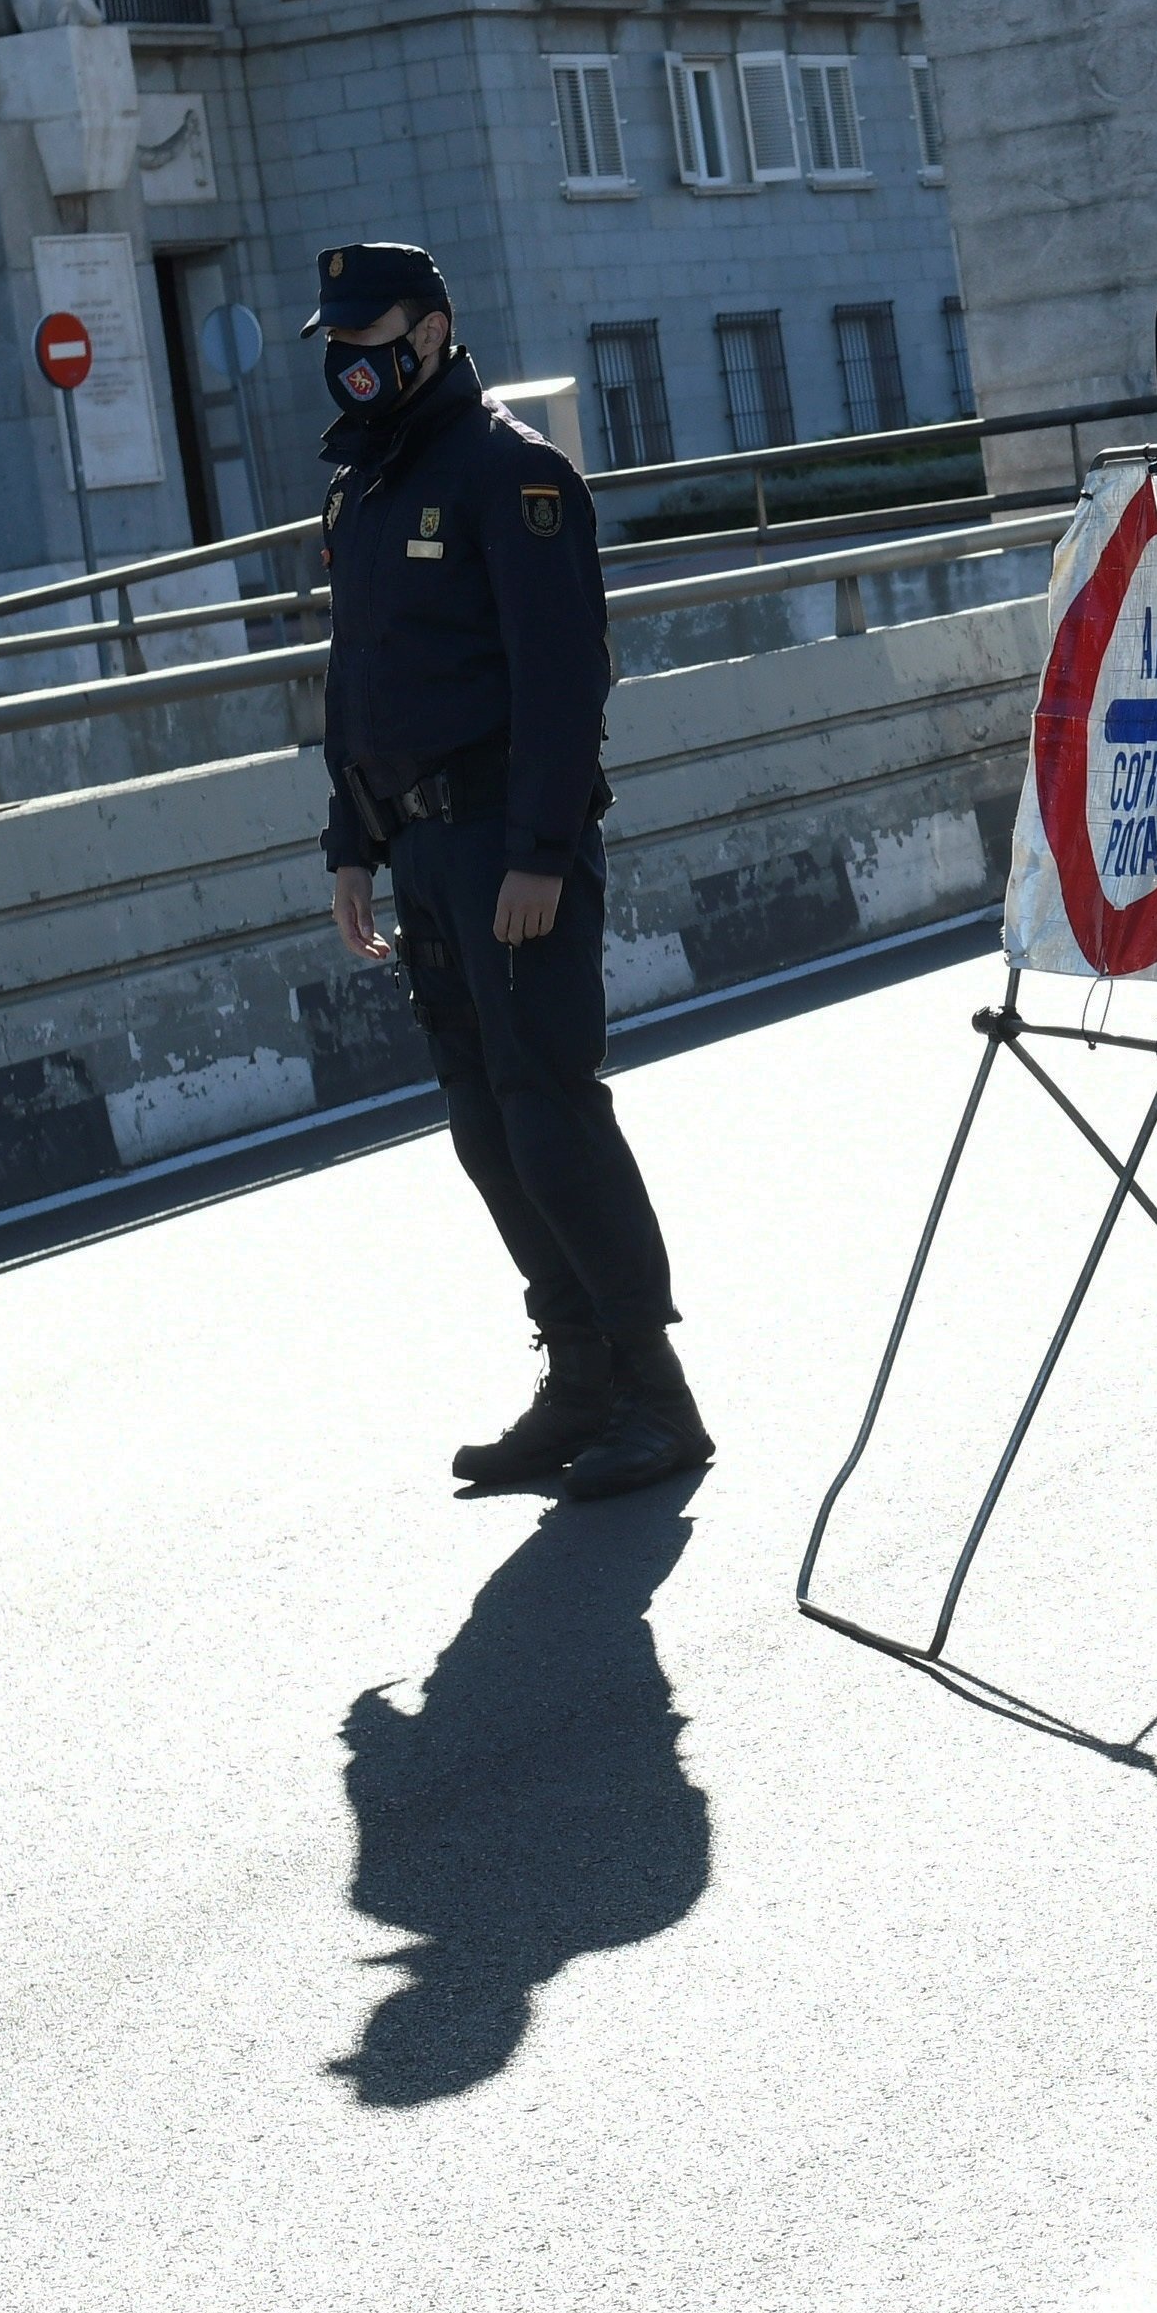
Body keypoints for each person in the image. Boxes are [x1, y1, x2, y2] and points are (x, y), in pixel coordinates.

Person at [310, 240, 704, 1499]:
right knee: (485, 1127)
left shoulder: (508, 472)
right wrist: (353, 841)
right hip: (421, 847)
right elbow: (356, 679)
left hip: (504, 843)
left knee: (547, 1112)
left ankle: (657, 1395)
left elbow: (562, 673)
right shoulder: (368, 489)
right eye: (338, 344)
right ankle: (579, 1376)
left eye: (371, 341)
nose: (350, 364)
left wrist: (540, 848)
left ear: (431, 332)